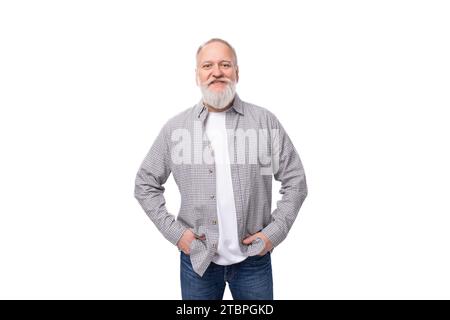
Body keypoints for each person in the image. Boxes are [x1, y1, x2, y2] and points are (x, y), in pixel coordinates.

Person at [134, 38, 307, 300]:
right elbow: (145, 184)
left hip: (253, 261)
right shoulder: (176, 128)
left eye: (225, 64)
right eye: (208, 65)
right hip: (198, 261)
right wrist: (177, 234)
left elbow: (295, 181)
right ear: (197, 75)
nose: (217, 72)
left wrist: (275, 232)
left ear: (237, 72)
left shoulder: (264, 122)